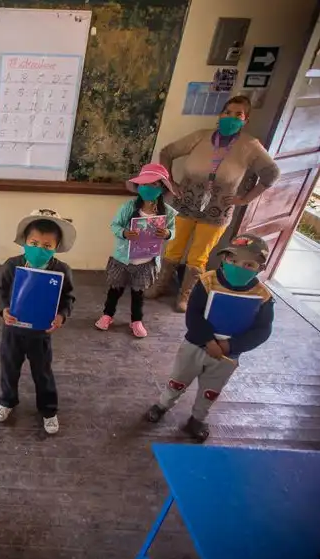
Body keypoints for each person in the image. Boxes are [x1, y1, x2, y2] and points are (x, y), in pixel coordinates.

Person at [146, 96, 280, 312]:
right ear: (220, 114)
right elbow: (167, 152)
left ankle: (186, 295)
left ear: (245, 120)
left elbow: (271, 173)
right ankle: (160, 285)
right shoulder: (201, 136)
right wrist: (170, 182)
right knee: (173, 246)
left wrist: (245, 199)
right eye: (228, 112)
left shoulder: (250, 145)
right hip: (184, 203)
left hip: (217, 211)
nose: (231, 117)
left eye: (238, 114)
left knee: (199, 255)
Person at [143, 233, 275, 442]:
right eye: (233, 261)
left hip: (228, 355)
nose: (238, 267)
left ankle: (197, 419)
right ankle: (162, 405)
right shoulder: (207, 281)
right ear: (224, 258)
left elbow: (262, 330)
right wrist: (208, 341)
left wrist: (229, 346)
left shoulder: (263, 296)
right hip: (195, 345)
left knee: (211, 390)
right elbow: (193, 315)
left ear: (261, 268)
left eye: (248, 264)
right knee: (178, 380)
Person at [0, 209, 76, 435]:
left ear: (56, 247)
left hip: (41, 333)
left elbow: (68, 298)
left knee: (43, 372)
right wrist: (4, 309)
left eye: (47, 246)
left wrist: (61, 316)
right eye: (34, 243)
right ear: (25, 241)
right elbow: (0, 290)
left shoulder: (61, 270)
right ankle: (7, 401)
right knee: (9, 368)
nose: (39, 249)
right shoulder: (12, 265)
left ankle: (48, 410)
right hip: (13, 331)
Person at [95, 163, 178, 338]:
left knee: (138, 294)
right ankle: (107, 315)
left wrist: (167, 233)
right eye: (144, 183)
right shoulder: (129, 207)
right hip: (122, 259)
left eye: (154, 184)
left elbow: (173, 232)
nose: (148, 188)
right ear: (138, 186)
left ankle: (136, 321)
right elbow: (114, 225)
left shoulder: (168, 213)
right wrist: (124, 233)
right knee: (115, 290)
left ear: (162, 188)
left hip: (146, 261)